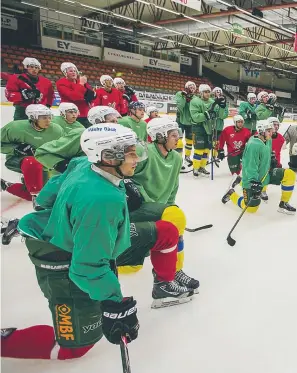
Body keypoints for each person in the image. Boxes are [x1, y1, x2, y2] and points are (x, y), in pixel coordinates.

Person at [0, 124, 193, 362]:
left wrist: (55, 208)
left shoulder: (85, 164)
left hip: (92, 240)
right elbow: (86, 267)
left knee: (166, 232)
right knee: (73, 347)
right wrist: (115, 303)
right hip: (63, 256)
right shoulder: (102, 201)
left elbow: (49, 193)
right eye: (130, 153)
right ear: (108, 156)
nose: (137, 158)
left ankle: (164, 286)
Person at [119, 118, 199, 291]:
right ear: (160, 136)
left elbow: (173, 187)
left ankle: (175, 271)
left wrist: (170, 206)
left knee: (175, 228)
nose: (178, 138)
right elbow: (124, 173)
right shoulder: (145, 152)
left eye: (177, 134)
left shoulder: (177, 158)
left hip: (159, 208)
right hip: (139, 207)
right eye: (173, 135)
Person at [221, 120, 296, 214]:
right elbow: (249, 166)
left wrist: (271, 158)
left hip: (266, 173)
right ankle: (231, 193)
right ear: (261, 131)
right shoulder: (253, 145)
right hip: (252, 179)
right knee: (251, 209)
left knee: (289, 174)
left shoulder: (267, 139)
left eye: (271, 130)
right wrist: (253, 182)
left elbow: (267, 152)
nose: (272, 132)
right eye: (269, 131)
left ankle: (283, 204)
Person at [0, 104, 63, 205]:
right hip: (18, 161)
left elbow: (62, 147)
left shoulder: (56, 130)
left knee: (41, 194)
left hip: (43, 165)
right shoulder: (15, 128)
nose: (48, 121)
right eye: (43, 118)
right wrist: (15, 149)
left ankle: (5, 185)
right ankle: (36, 196)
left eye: (49, 117)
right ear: (33, 118)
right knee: (32, 162)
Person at [35, 106, 121, 174]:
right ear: (98, 121)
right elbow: (42, 152)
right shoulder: (82, 135)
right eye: (112, 121)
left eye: (116, 121)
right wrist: (62, 165)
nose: (116, 125)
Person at [189, 84, 228, 177]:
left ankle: (202, 166)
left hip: (209, 129)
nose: (207, 94)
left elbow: (221, 115)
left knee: (207, 149)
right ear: (201, 92)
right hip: (199, 128)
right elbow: (195, 117)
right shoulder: (195, 101)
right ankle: (196, 167)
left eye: (208, 92)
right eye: (205, 92)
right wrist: (206, 115)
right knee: (199, 149)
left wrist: (222, 106)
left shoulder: (212, 101)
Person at [56, 62, 95, 128]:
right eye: (71, 71)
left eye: (75, 71)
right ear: (65, 73)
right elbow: (74, 96)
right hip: (70, 114)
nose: (74, 72)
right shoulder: (61, 83)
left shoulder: (80, 81)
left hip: (84, 113)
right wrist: (81, 84)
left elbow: (91, 95)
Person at [175, 81, 197, 173]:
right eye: (190, 87)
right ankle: (178, 160)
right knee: (179, 141)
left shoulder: (195, 98)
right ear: (186, 87)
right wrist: (184, 97)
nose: (192, 89)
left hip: (190, 123)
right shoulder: (179, 94)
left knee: (189, 141)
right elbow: (180, 107)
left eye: (193, 87)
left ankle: (187, 157)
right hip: (180, 121)